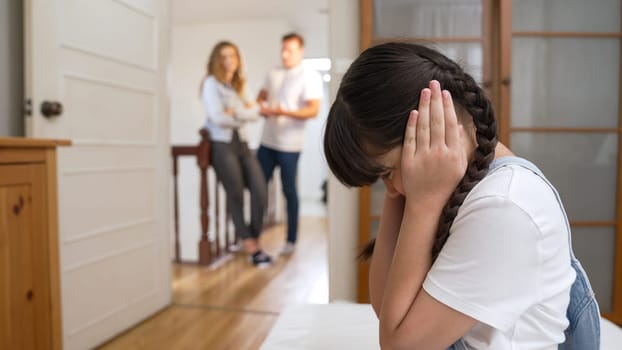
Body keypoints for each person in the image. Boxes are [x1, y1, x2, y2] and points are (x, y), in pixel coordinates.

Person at [323, 42, 600, 349]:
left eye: (388, 173)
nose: (392, 189)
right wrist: (407, 194)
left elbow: (399, 345)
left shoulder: (503, 207)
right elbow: (385, 306)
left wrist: (423, 203)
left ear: (434, 126)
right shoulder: (449, 185)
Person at [200, 41, 272, 268]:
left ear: (238, 59)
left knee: (260, 191)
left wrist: (236, 112)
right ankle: (253, 248)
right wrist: (245, 112)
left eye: (232, 55)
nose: (228, 60)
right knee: (236, 195)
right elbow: (217, 118)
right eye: (223, 56)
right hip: (221, 144)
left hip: (241, 142)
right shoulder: (211, 84)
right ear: (216, 60)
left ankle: (252, 239)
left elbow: (256, 112)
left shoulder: (241, 84)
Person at [256, 32, 323, 255]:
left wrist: (284, 111)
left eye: (290, 50)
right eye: (283, 49)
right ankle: (253, 238)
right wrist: (262, 106)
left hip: (290, 146)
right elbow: (262, 95)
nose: (285, 54)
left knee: (289, 191)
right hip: (267, 142)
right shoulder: (273, 73)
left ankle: (291, 240)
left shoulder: (309, 76)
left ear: (300, 51)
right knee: (258, 187)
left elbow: (313, 110)